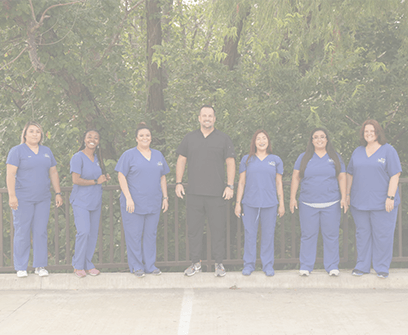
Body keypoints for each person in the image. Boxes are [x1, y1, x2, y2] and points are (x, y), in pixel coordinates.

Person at [176, 105, 236, 277]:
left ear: (215, 119)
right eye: (204, 115)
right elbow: (181, 160)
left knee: (218, 230)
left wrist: (230, 185)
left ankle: (219, 264)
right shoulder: (190, 138)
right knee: (194, 231)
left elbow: (230, 162)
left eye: (210, 115)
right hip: (194, 193)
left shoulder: (223, 139)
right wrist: (179, 182)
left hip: (217, 193)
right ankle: (195, 263)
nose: (207, 118)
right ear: (199, 118)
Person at [6, 121, 63, 278]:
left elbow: (53, 172)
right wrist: (12, 196)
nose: (35, 134)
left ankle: (40, 266)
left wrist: (58, 192)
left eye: (38, 132)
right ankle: (21, 267)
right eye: (31, 131)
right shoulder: (17, 151)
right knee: (22, 231)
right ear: (25, 134)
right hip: (22, 198)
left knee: (40, 231)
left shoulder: (46, 151)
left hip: (43, 198)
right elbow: (10, 174)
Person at [346, 119, 401, 279]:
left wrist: (390, 196)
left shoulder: (388, 150)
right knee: (362, 234)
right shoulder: (358, 151)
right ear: (363, 134)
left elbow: (395, 175)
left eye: (372, 131)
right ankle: (362, 266)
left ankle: (381, 267)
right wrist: (347, 195)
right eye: (366, 131)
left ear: (378, 133)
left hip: (383, 203)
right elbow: (350, 174)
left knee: (383, 235)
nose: (369, 134)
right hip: (359, 202)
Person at [290, 128, 347, 277]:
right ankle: (306, 266)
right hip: (308, 203)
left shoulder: (335, 157)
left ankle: (332, 266)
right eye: (316, 137)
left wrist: (344, 197)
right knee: (308, 235)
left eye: (322, 137)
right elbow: (296, 178)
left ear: (327, 139)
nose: (319, 140)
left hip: (331, 203)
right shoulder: (304, 157)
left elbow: (342, 177)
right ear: (311, 140)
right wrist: (292, 198)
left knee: (332, 235)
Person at [115, 122, 169, 278]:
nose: (145, 138)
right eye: (141, 135)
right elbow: (121, 176)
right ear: (136, 139)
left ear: (151, 138)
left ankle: (150, 266)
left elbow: (163, 177)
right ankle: (137, 266)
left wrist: (165, 197)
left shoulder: (158, 155)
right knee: (134, 235)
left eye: (147, 135)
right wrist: (128, 198)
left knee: (151, 235)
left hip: (153, 202)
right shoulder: (128, 155)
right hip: (133, 203)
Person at [234, 130, 285, 277]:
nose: (261, 141)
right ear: (254, 142)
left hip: (270, 203)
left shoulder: (275, 160)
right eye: (258, 139)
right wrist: (238, 203)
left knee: (268, 235)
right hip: (250, 203)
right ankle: (249, 265)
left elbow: (279, 183)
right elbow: (242, 183)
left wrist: (281, 203)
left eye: (264, 138)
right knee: (250, 234)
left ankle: (267, 265)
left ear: (268, 142)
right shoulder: (247, 159)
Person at [70, 129, 111, 278]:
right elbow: (75, 180)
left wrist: (103, 178)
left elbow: (97, 178)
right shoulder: (78, 157)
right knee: (84, 232)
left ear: (98, 142)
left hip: (95, 201)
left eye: (96, 137)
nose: (92, 139)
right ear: (84, 139)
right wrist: (95, 181)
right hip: (81, 201)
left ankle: (88, 264)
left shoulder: (96, 158)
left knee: (92, 234)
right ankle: (78, 265)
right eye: (89, 137)